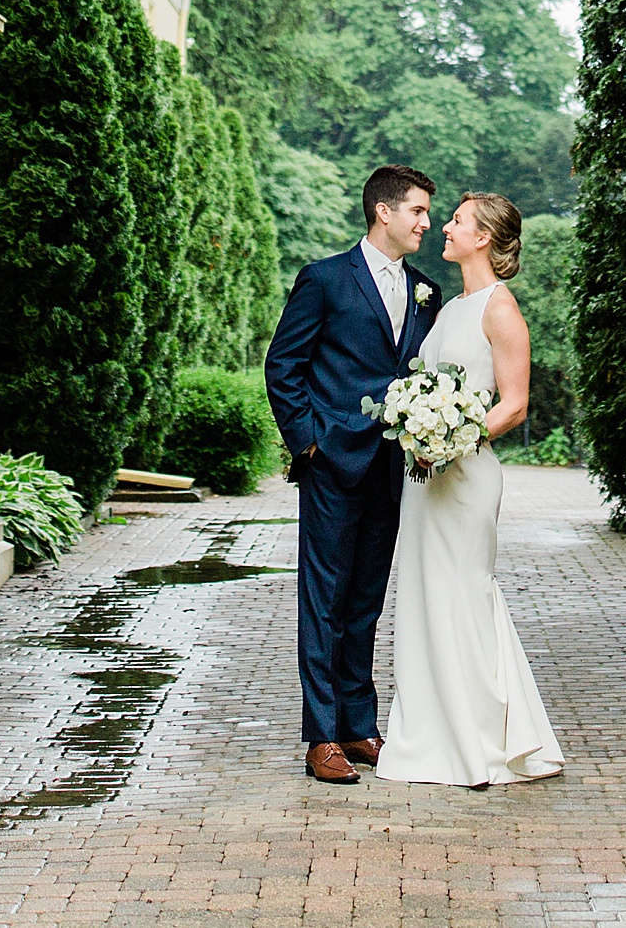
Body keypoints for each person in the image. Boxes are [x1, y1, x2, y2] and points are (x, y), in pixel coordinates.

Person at [376, 192, 564, 787]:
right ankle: (432, 735)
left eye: (456, 221)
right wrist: (415, 426)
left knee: (465, 596)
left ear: (483, 237)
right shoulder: (449, 307)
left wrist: (449, 437)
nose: (444, 228)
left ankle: (483, 741)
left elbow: (513, 404)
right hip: (426, 480)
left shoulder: (499, 309)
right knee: (427, 598)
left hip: (466, 475)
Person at [264, 164, 441, 784]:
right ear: (383, 212)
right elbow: (283, 366)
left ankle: (359, 726)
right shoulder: (325, 280)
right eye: (417, 211)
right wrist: (308, 443)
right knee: (323, 601)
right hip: (333, 464)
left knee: (365, 599)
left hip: (392, 468)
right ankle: (321, 738)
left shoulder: (425, 290)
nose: (427, 222)